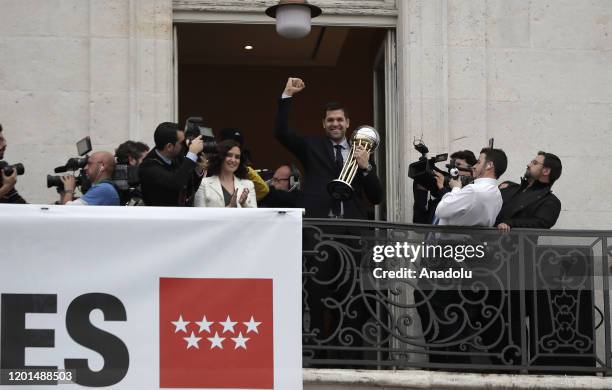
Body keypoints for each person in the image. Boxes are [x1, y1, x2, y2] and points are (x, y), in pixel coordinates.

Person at [273, 77, 383, 218]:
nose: (335, 123)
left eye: (340, 119)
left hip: (352, 228)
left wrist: (366, 167)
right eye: (330, 120)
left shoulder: (362, 151)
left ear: (347, 123)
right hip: (318, 226)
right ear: (324, 124)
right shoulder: (310, 146)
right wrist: (287, 94)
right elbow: (281, 132)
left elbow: (376, 198)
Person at [434, 147, 507, 226]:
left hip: (452, 237)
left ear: (489, 165)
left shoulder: (474, 190)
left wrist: (456, 188)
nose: (474, 166)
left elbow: (440, 211)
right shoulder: (498, 195)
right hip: (475, 237)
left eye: (478, 162)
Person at [139, 122, 204, 206]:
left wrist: (198, 167)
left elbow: (189, 187)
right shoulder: (148, 166)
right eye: (182, 142)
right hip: (159, 216)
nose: (185, 145)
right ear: (169, 147)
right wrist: (192, 154)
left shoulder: (176, 158)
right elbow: (175, 183)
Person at [496, 151, 562, 231]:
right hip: (483, 240)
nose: (528, 165)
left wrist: (510, 223)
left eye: (534, 163)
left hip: (513, 243)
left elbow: (539, 223)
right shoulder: (509, 186)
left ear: (546, 171)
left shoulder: (550, 201)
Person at [413, 150, 477, 223]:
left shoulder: (471, 195)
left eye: (458, 165)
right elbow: (419, 224)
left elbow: (451, 208)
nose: (453, 169)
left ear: (471, 170)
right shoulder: (438, 201)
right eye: (452, 164)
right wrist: (421, 192)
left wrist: (442, 189)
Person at [194, 140, 256, 208]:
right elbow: (200, 216)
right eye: (229, 155)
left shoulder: (248, 185)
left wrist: (243, 204)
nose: (233, 160)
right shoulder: (203, 184)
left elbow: (255, 216)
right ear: (221, 157)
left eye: (237, 157)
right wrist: (229, 207)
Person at [218, 127, 269, 202]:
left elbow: (263, 190)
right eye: (229, 147)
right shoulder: (209, 172)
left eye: (237, 156)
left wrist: (245, 169)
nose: (233, 159)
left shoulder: (244, 173)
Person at [0, 124, 27, 204]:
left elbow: (21, 206)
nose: (5, 144)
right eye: (0, 140)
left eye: (3, 139)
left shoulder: (2, 170)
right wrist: (6, 188)